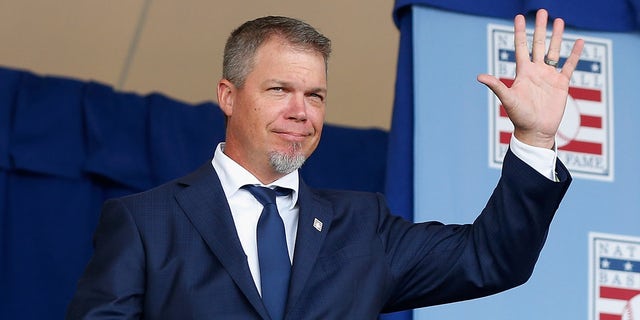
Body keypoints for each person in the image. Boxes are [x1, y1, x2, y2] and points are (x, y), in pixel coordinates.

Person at [66, 8, 584, 319]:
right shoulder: (144, 223)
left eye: (315, 95)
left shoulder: (363, 227)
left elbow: (491, 258)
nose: (301, 111)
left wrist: (535, 136)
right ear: (228, 96)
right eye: (280, 90)